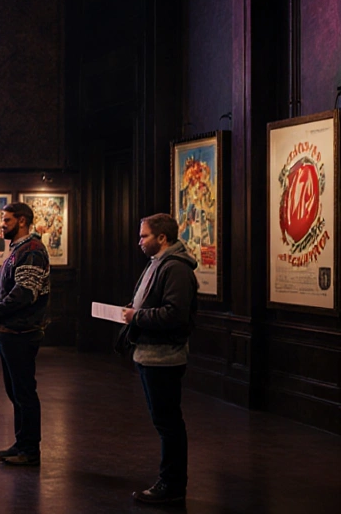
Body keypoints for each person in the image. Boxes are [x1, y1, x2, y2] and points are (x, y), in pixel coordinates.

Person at [121, 213, 198, 506]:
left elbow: (174, 314)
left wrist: (137, 316)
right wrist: (135, 308)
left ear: (162, 238)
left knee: (168, 424)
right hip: (151, 354)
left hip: (164, 357)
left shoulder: (175, 268)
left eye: (144, 236)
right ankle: (170, 482)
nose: (140, 241)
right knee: (164, 422)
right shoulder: (159, 264)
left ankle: (172, 485)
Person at [0, 201, 51, 467]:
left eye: (7, 220)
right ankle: (21, 442)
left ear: (22, 221)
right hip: (11, 331)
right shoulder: (21, 249)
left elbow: (26, 291)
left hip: (20, 332)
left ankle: (29, 449)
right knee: (16, 391)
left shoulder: (32, 250)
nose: (2, 224)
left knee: (23, 392)